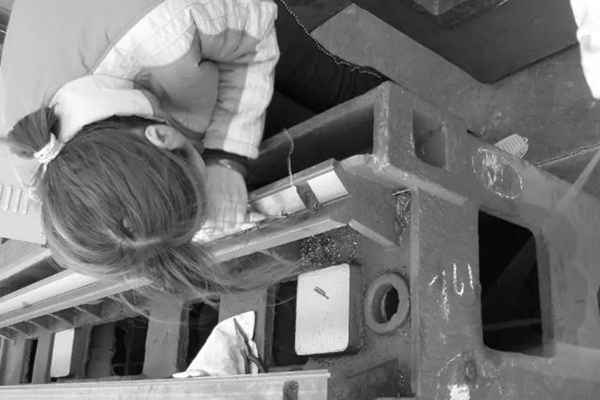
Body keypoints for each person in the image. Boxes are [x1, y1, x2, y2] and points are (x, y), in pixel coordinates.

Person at [0, 0, 387, 300]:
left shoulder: (168, 22)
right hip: (118, 61)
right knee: (268, 125)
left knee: (335, 91)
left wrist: (225, 158)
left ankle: (409, 120)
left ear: (161, 136)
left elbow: (253, 42)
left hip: (219, 19)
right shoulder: (43, 164)